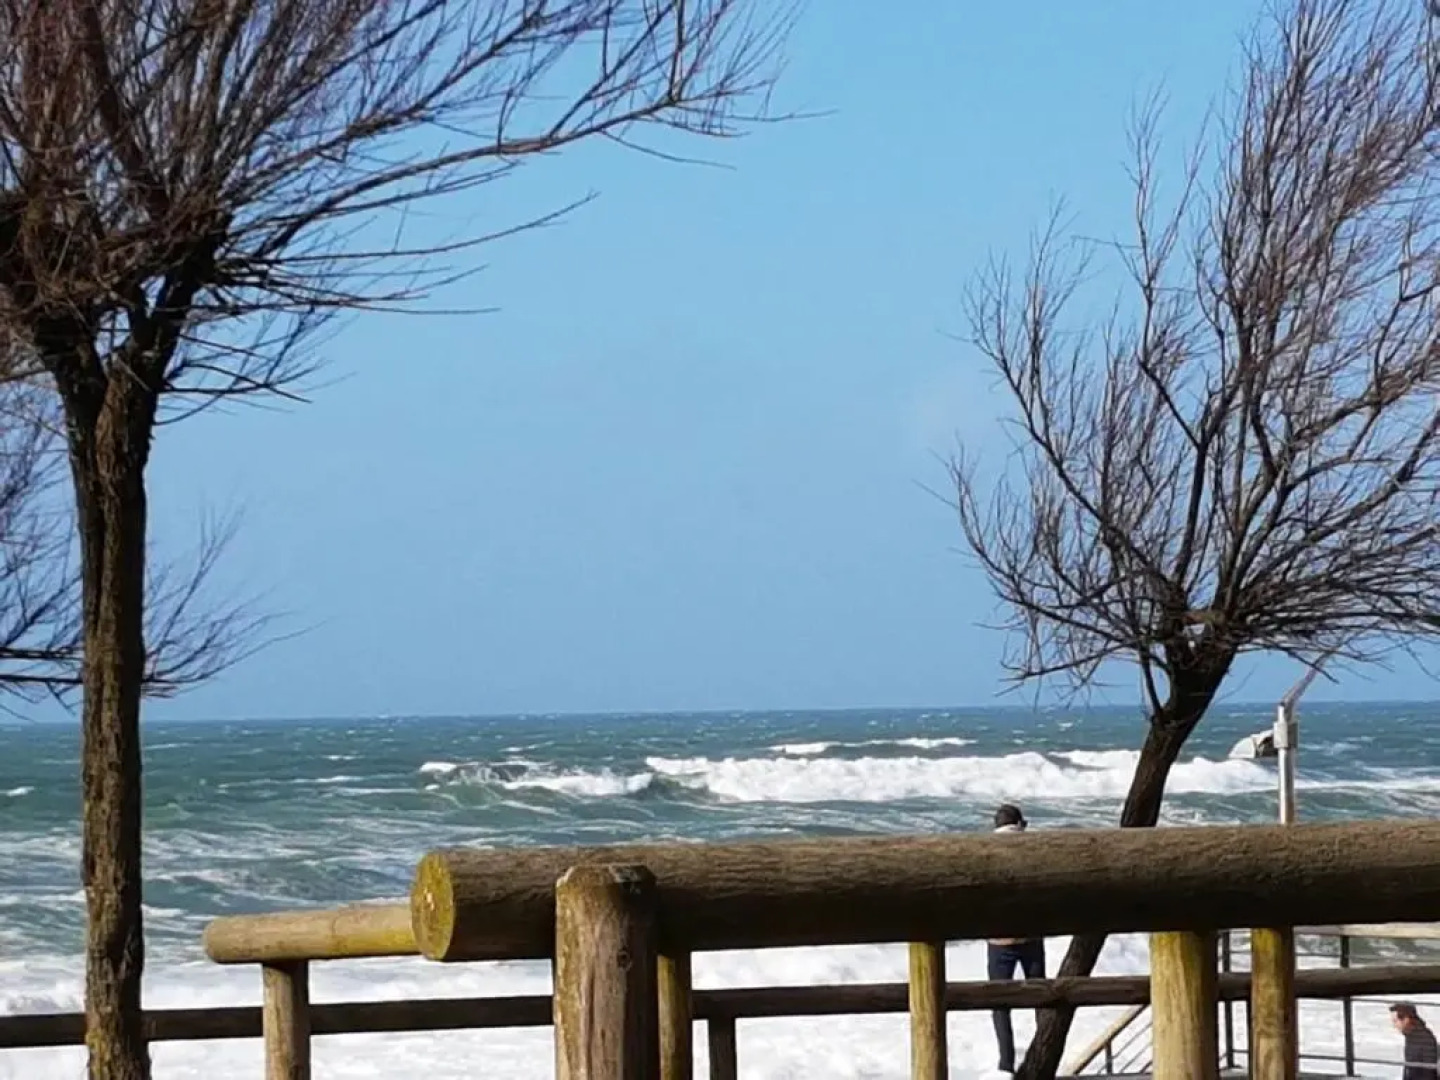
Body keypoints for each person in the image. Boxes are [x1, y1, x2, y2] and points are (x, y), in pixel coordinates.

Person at [988, 803, 1045, 1074]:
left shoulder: (985, 848)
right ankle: (1042, 1055)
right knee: (1042, 1000)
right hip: (1031, 935)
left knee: (1000, 1004)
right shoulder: (1034, 847)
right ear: (1021, 824)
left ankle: (1006, 1064)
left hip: (998, 939)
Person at [1392, 1003, 1439, 1080]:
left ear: (1406, 1020)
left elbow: (1427, 1072)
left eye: (1395, 1021)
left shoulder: (1421, 1038)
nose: (1394, 1026)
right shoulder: (1412, 1035)